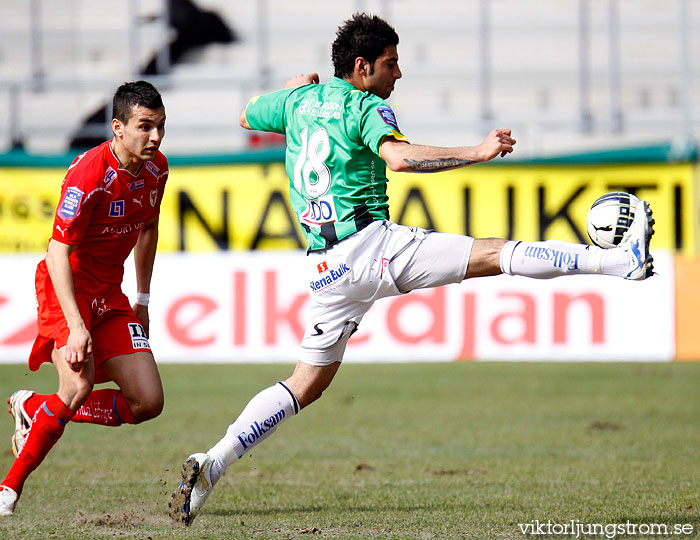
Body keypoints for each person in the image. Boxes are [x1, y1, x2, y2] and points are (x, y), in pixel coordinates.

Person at [169, 13, 654, 526]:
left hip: (325, 268)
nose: (398, 75)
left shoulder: (296, 103)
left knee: (306, 382)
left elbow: (246, 114)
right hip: (369, 245)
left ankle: (213, 463)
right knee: (494, 254)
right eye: (391, 64)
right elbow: (398, 160)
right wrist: (478, 151)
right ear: (362, 67)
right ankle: (620, 261)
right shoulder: (365, 106)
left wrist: (293, 88)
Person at [0, 81, 169, 516]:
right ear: (118, 127)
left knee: (147, 403)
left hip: (110, 293)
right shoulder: (88, 175)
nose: (155, 137)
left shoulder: (157, 171)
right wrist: (76, 325)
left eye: (160, 127)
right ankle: (9, 488)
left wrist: (143, 299)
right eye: (145, 126)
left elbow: (148, 228)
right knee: (77, 384)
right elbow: (58, 251)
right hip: (67, 289)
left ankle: (34, 407)